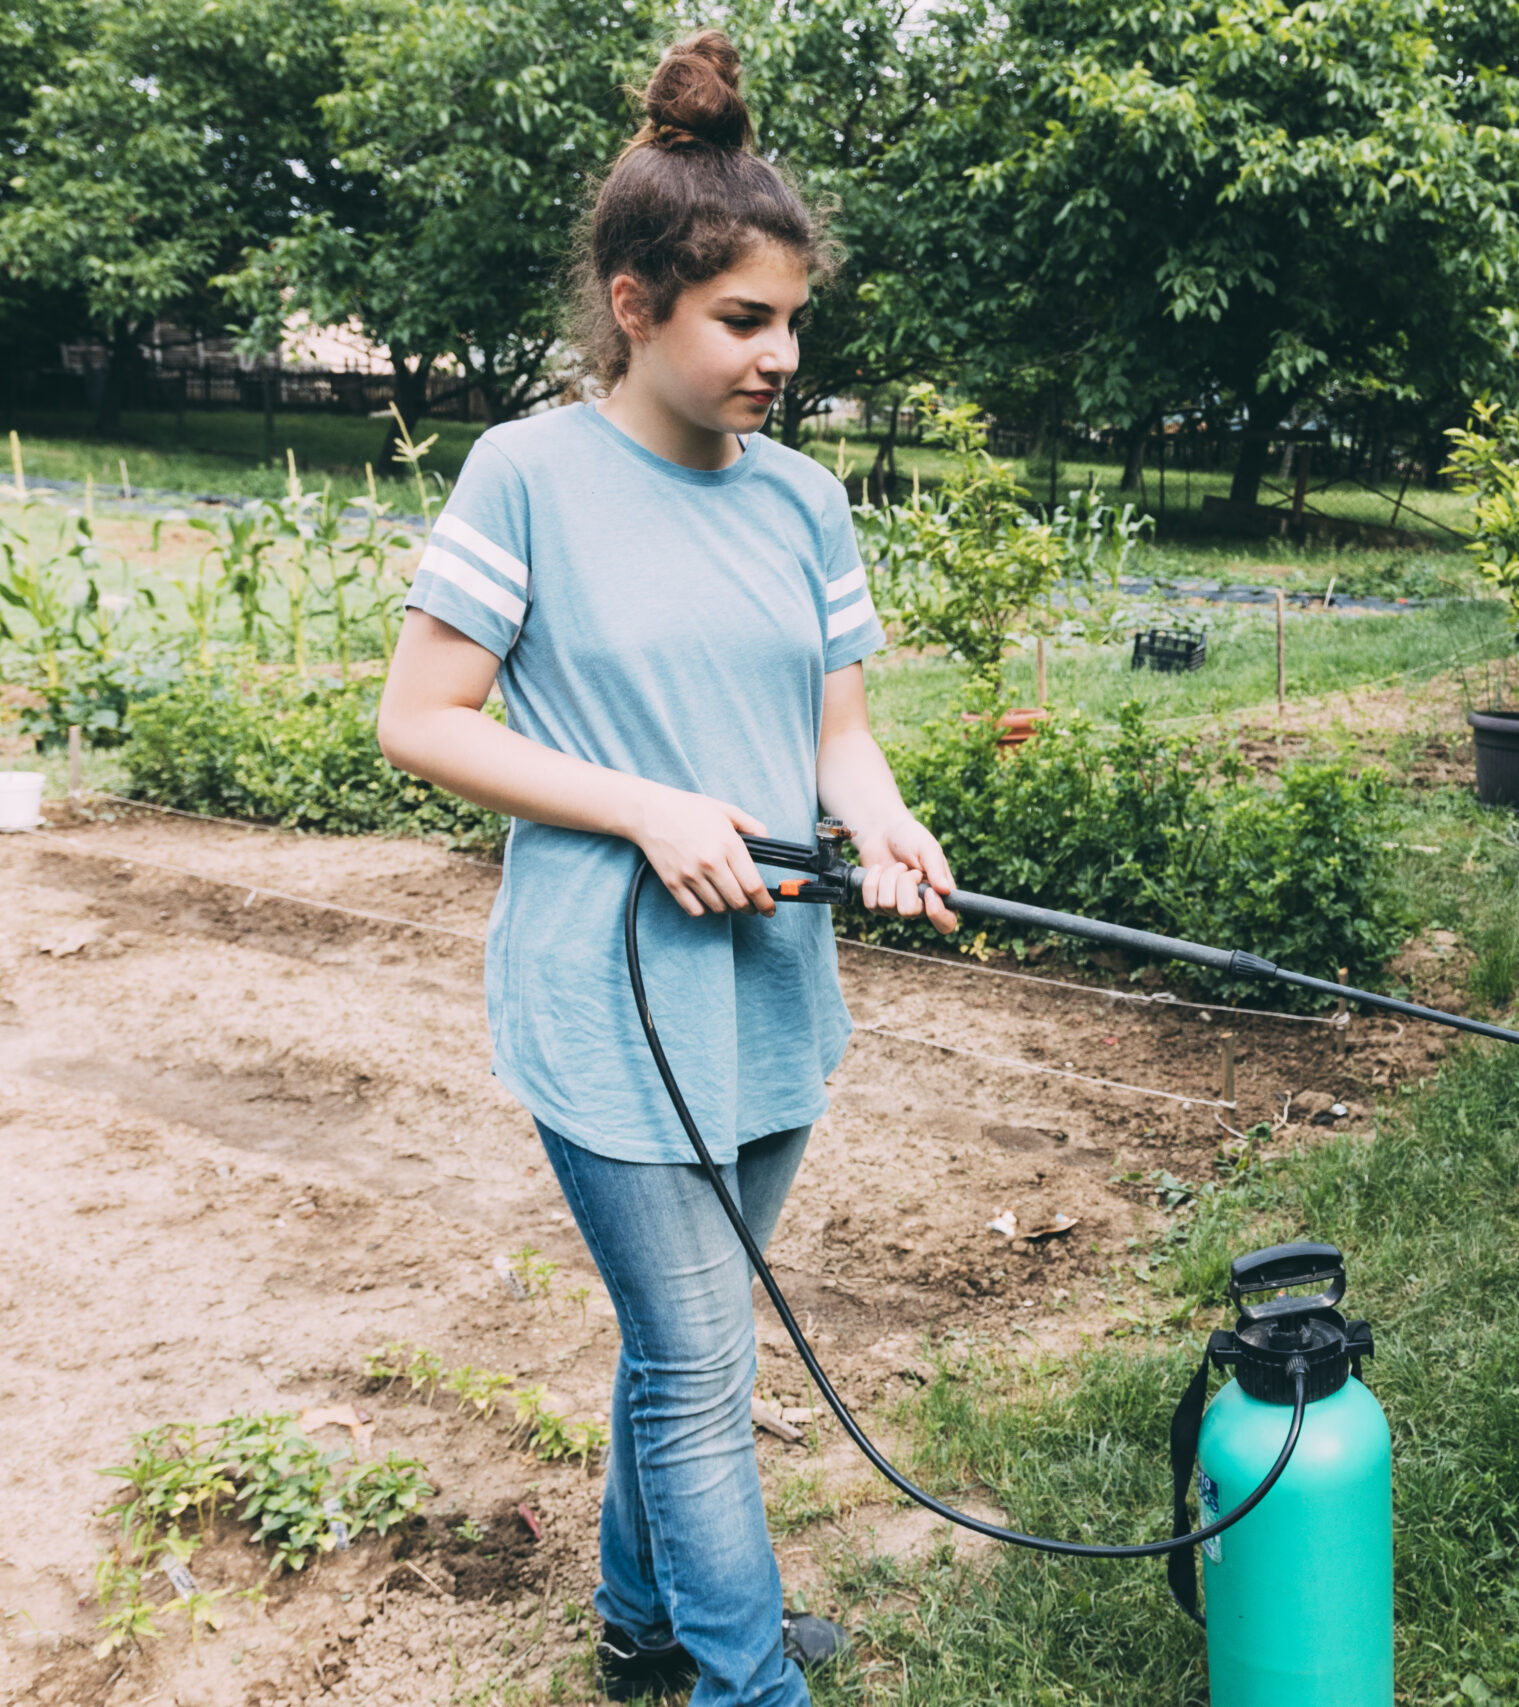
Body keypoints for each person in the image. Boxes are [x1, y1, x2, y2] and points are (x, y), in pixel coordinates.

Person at [376, 30, 956, 1706]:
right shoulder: (529, 475)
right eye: (742, 322)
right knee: (703, 1363)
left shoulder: (804, 504)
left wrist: (881, 818)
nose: (782, 356)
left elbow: (838, 734)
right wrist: (645, 806)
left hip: (772, 988)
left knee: (677, 1347)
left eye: (792, 322)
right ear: (634, 305)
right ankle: (741, 1677)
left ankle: (646, 1625)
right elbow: (422, 719)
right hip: (605, 995)